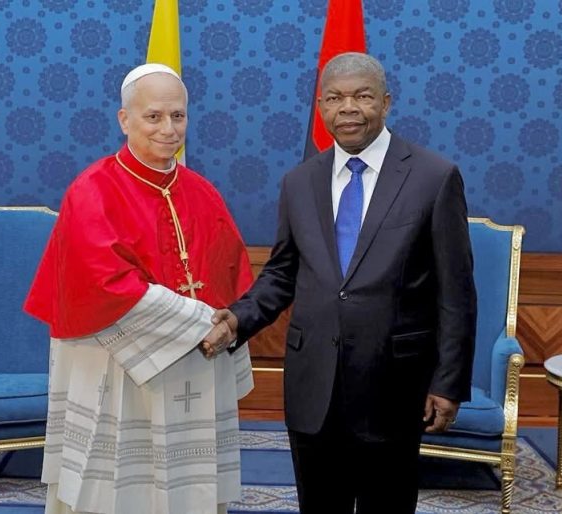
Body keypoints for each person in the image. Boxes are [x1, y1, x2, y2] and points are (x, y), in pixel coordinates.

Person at [201, 52, 477, 513]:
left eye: (362, 96)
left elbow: (457, 292)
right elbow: (282, 272)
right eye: (334, 98)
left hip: (393, 385)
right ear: (321, 108)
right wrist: (237, 320)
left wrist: (448, 382)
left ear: (386, 102)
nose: (348, 108)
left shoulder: (434, 177)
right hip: (313, 385)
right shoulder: (299, 182)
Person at [24, 63, 255, 514]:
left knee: (188, 487)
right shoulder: (92, 190)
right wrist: (203, 322)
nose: (169, 129)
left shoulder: (202, 192)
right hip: (117, 365)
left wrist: (232, 324)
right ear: (124, 119)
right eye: (154, 116)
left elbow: (233, 273)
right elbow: (105, 283)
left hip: (197, 362)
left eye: (178, 116)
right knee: (117, 488)